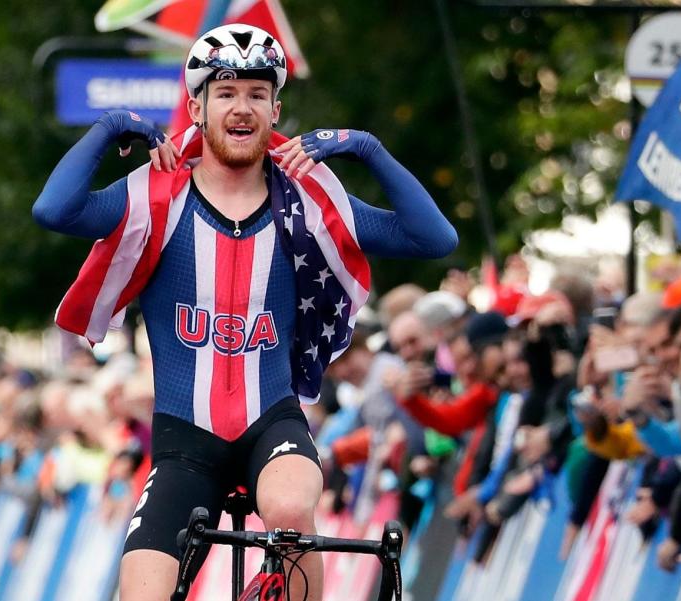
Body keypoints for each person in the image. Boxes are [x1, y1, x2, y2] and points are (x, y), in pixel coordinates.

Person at [32, 23, 457, 600]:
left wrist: (367, 149)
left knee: (288, 506)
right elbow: (55, 209)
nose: (242, 107)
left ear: (275, 108)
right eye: (226, 92)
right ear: (197, 107)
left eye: (258, 93)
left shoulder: (310, 197)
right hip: (185, 445)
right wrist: (109, 129)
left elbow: (434, 239)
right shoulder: (155, 194)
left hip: (272, 426)